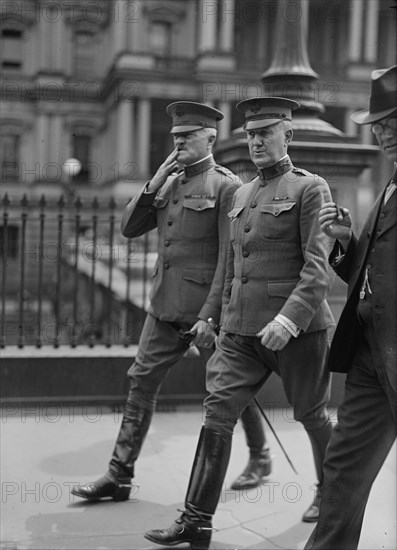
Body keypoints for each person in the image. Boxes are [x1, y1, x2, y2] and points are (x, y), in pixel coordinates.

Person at [144, 96, 336, 549]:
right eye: (249, 134)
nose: (255, 142)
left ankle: (332, 493)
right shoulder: (242, 193)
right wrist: (210, 317)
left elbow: (317, 266)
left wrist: (289, 321)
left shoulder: (311, 188)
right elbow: (228, 268)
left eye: (264, 133)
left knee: (311, 414)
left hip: (297, 334)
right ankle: (195, 522)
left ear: (287, 135)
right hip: (239, 331)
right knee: (217, 413)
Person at [70, 101, 271, 503]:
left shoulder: (226, 185)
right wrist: (153, 182)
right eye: (175, 137)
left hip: (204, 314)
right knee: (140, 381)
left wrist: (211, 315)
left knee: (231, 390)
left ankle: (260, 456)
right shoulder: (169, 181)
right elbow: (129, 229)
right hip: (163, 307)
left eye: (186, 136)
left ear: (210, 137)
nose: (177, 142)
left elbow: (227, 258)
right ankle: (118, 473)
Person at [304, 65, 397, 550]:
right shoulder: (390, 185)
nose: (384, 133)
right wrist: (345, 245)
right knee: (343, 469)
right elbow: (373, 270)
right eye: (378, 125)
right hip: (370, 356)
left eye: (394, 121)